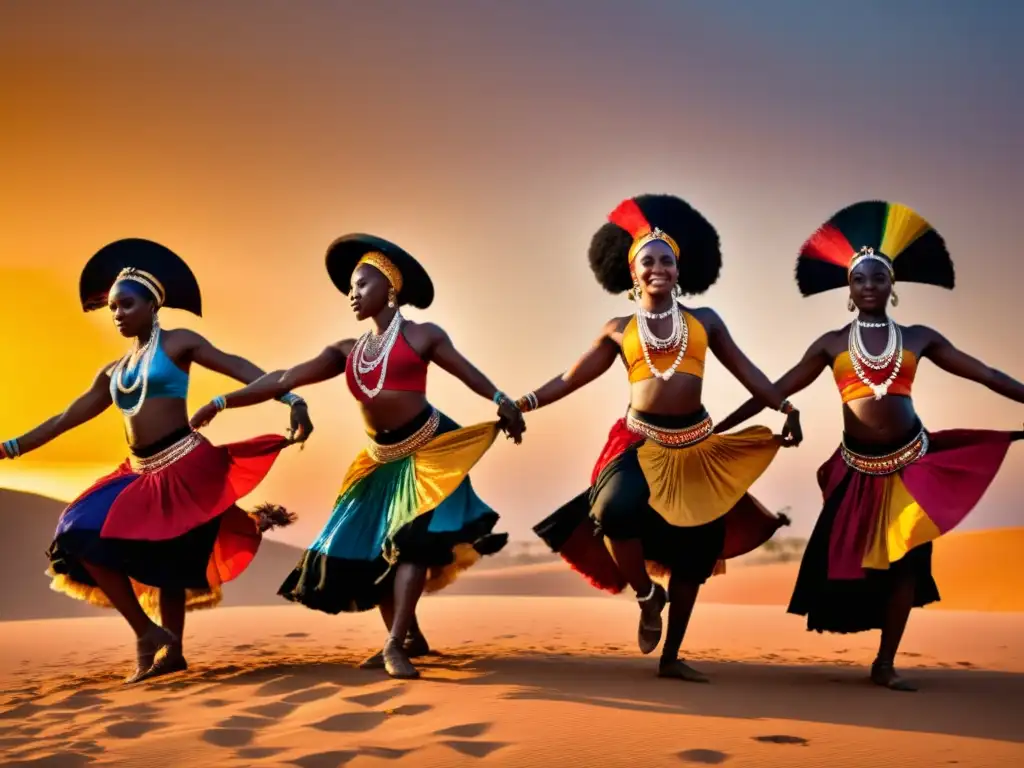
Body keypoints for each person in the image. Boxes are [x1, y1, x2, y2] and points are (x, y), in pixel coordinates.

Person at [714, 200, 1024, 691]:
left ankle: (885, 664)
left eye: (880, 277)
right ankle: (870, 644)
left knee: (906, 562)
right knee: (851, 564)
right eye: (861, 279)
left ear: (893, 287)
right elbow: (776, 389)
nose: (871, 286)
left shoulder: (919, 337)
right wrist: (725, 426)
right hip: (857, 470)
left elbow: (985, 373)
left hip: (912, 464)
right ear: (848, 289)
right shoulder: (831, 343)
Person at [191, 233, 526, 680]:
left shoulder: (423, 336)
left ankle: (393, 645)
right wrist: (222, 402)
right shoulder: (345, 352)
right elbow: (284, 377)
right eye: (350, 287)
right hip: (379, 461)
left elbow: (469, 373)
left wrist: (502, 399)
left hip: (427, 451)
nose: (352, 294)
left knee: (409, 543)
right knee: (376, 552)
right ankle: (408, 637)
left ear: (389, 287)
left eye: (362, 284)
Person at [518, 194, 800, 682]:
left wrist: (784, 404)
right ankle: (648, 597)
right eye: (647, 261)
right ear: (632, 273)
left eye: (666, 260)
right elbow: (568, 379)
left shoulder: (705, 322)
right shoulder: (618, 328)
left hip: (696, 445)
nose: (658, 268)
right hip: (638, 441)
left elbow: (748, 371)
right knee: (612, 511)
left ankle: (672, 658)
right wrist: (522, 403)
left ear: (678, 269)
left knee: (697, 550)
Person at [0, 238, 304, 683]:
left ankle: (169, 654)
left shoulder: (180, 343)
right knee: (74, 531)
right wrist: (10, 448)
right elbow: (67, 417)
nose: (118, 314)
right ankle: (148, 633)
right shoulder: (112, 371)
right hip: (139, 473)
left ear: (151, 305)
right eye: (113, 309)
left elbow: (238, 366)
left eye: (126, 305)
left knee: (171, 565)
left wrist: (291, 397)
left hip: (186, 466)